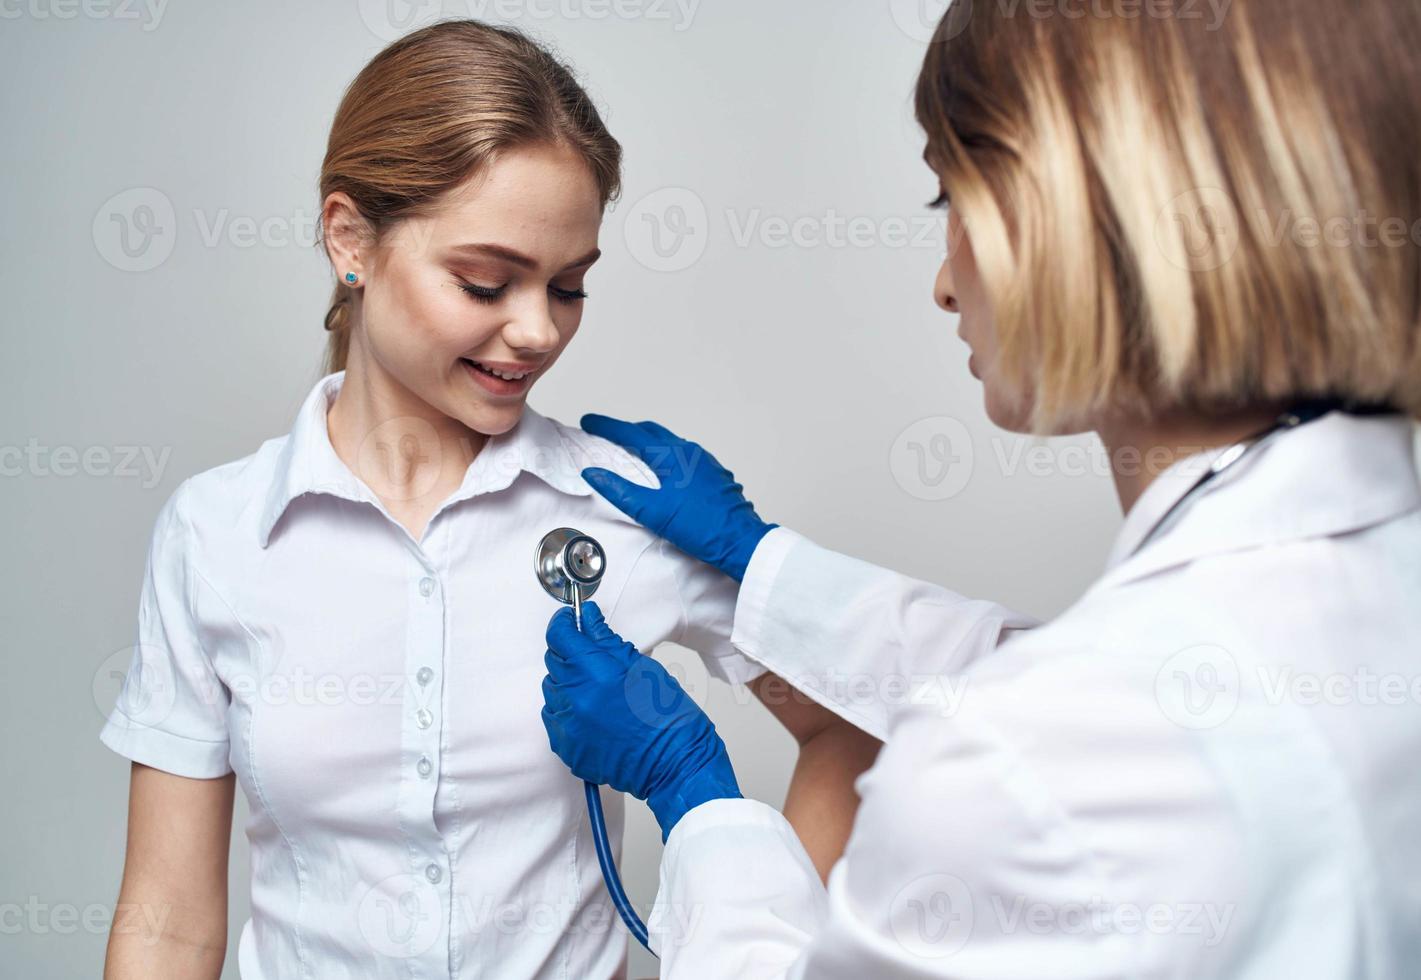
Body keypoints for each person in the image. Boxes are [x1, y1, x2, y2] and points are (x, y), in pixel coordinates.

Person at [539, 0, 1421, 975]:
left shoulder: (1021, 770)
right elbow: (1096, 675)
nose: (943, 283)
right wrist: (762, 563)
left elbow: (1052, 727)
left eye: (947, 201)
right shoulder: (1364, 574)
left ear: (1086, 217)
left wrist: (698, 805)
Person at [98, 21, 880, 980]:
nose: (536, 331)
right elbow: (169, 918)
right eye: (485, 282)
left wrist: (756, 941)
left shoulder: (626, 511)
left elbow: (851, 718)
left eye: (569, 287)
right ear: (350, 239)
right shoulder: (215, 534)